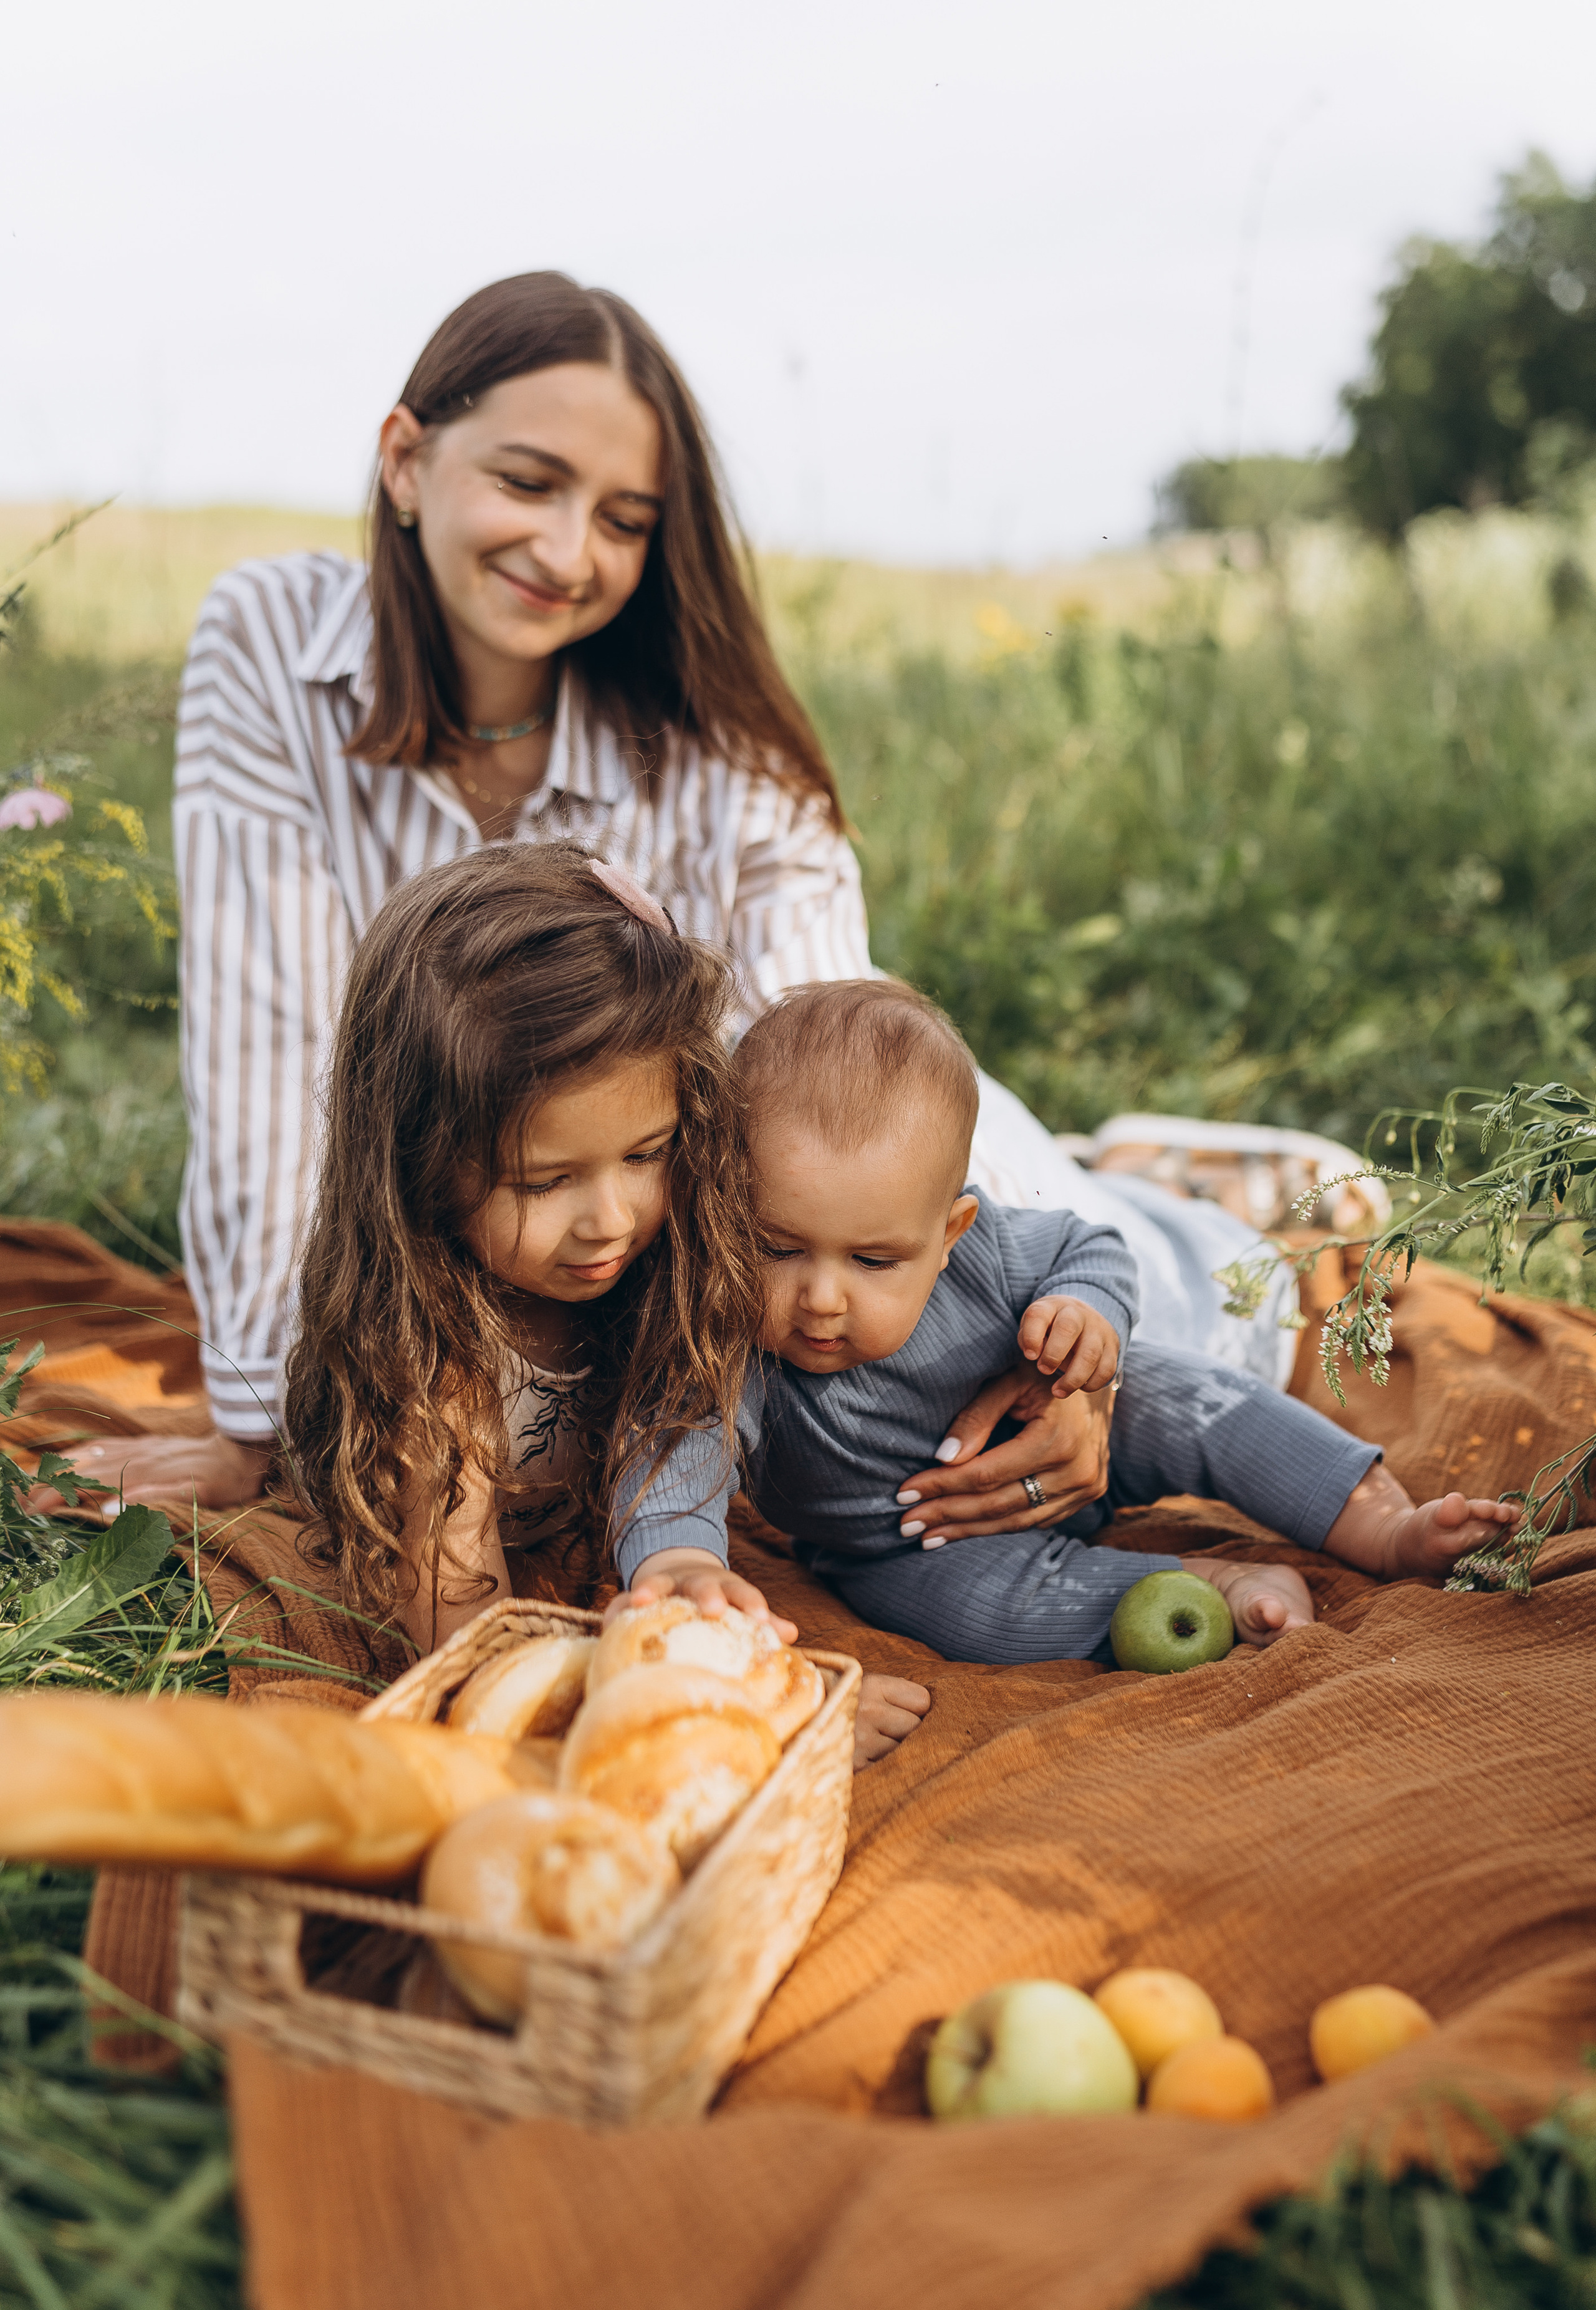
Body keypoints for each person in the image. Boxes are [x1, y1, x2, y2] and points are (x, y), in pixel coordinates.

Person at [59, 269, 1288, 1538]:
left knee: (1219, 1320)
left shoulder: (717, 747)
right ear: (406, 460)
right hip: (550, 1231)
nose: (567, 551)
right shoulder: (269, 642)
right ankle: (1133, 1161)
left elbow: (837, 1090)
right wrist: (256, 1419)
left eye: (624, 518)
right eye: (528, 483)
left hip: (814, 1207)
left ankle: (1185, 1202)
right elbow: (262, 1039)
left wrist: (1060, 1368)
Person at [612, 981, 1520, 1749]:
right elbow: (674, 1449)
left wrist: (1089, 1315)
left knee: (1195, 1397)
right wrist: (681, 1559)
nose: (821, 1297)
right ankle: (1202, 1591)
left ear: (950, 1232)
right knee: (967, 1613)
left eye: (873, 1261)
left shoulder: (991, 1252)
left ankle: (1384, 1523)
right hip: (908, 1538)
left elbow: (1090, 1246)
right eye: (777, 1248)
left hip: (1074, 1428)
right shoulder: (726, 1335)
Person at [281, 842, 767, 1657]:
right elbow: (468, 1637)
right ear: (421, 1163)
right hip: (442, 1555)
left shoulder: (673, 1268)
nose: (610, 1219)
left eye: (646, 1153)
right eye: (544, 1182)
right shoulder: (436, 1369)